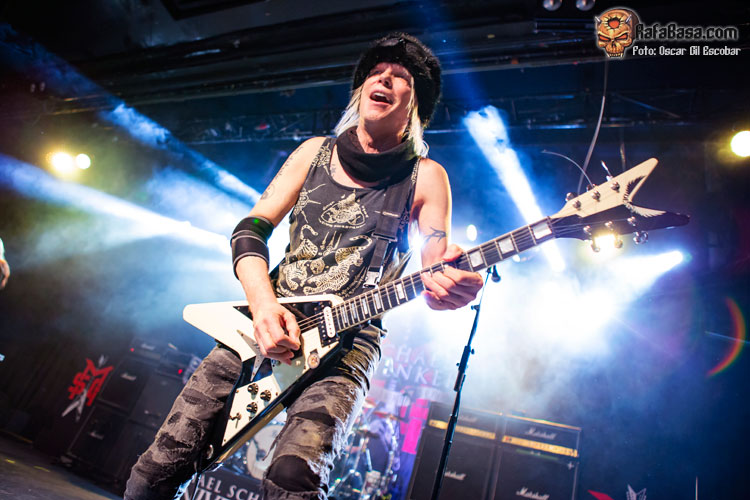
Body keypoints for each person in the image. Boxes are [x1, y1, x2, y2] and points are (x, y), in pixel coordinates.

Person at [124, 32, 483, 500]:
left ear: (416, 104)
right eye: (376, 72)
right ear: (361, 89)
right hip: (261, 325)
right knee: (160, 465)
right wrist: (263, 306)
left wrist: (452, 288)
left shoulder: (427, 177)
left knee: (295, 477)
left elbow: (436, 272)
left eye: (400, 77)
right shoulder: (314, 152)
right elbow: (249, 230)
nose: (384, 79)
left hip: (348, 343)